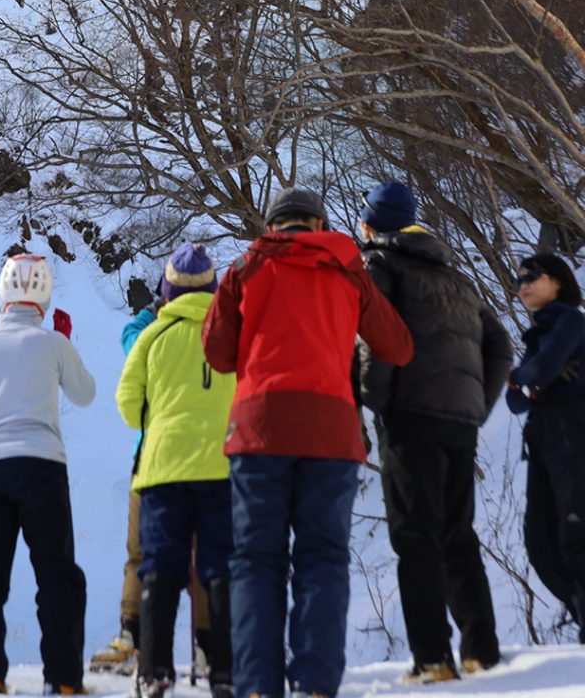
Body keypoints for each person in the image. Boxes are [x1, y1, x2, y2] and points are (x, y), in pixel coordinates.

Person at [202, 187, 414, 698]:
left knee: (255, 560)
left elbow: (218, 354)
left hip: (260, 430)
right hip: (330, 431)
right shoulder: (346, 268)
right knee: (322, 558)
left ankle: (257, 686)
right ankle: (315, 685)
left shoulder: (244, 270)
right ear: (319, 224)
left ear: (272, 226)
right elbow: (398, 347)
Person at [357, 182, 512, 683]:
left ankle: (432, 659)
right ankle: (481, 652)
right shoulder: (457, 278)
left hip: (410, 415)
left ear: (370, 225)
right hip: (458, 420)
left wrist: (374, 398)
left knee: (414, 535)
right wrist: (475, 404)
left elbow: (374, 337)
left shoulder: (378, 267)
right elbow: (501, 347)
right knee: (457, 534)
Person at [0, 254, 96, 695]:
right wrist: (64, 343)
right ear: (44, 296)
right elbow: (86, 394)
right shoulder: (52, 343)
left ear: (3, 294)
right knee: (56, 575)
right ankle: (61, 679)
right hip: (43, 465)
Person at [116, 243, 237, 698]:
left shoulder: (152, 335)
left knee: (161, 564)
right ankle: (223, 669)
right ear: (213, 288)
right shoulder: (230, 333)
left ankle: (154, 669)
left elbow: (128, 407)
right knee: (219, 566)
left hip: (163, 469)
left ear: (166, 290)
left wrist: (162, 417)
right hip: (220, 469)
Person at [90, 288, 212, 679]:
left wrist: (150, 312)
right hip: (211, 462)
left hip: (154, 462)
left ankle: (132, 638)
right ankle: (210, 649)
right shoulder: (219, 331)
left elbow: (130, 336)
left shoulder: (153, 335)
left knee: (143, 554)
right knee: (206, 559)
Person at [506, 252, 585, 640]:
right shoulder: (539, 336)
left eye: (532, 276)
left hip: (574, 432)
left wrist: (526, 379)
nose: (523, 284)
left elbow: (538, 373)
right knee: (540, 542)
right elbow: (515, 399)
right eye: (518, 278)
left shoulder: (571, 320)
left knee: (576, 533)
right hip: (542, 439)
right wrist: (528, 381)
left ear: (558, 280)